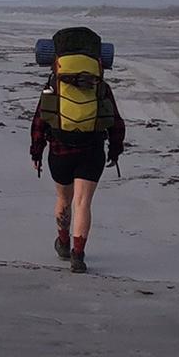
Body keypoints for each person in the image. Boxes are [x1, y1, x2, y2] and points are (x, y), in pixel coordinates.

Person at [29, 27, 125, 273]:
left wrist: (37, 151)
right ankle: (78, 256)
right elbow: (116, 122)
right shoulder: (100, 87)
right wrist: (115, 151)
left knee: (64, 198)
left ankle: (63, 242)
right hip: (92, 150)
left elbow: (39, 120)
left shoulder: (53, 85)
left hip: (60, 151)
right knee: (83, 203)